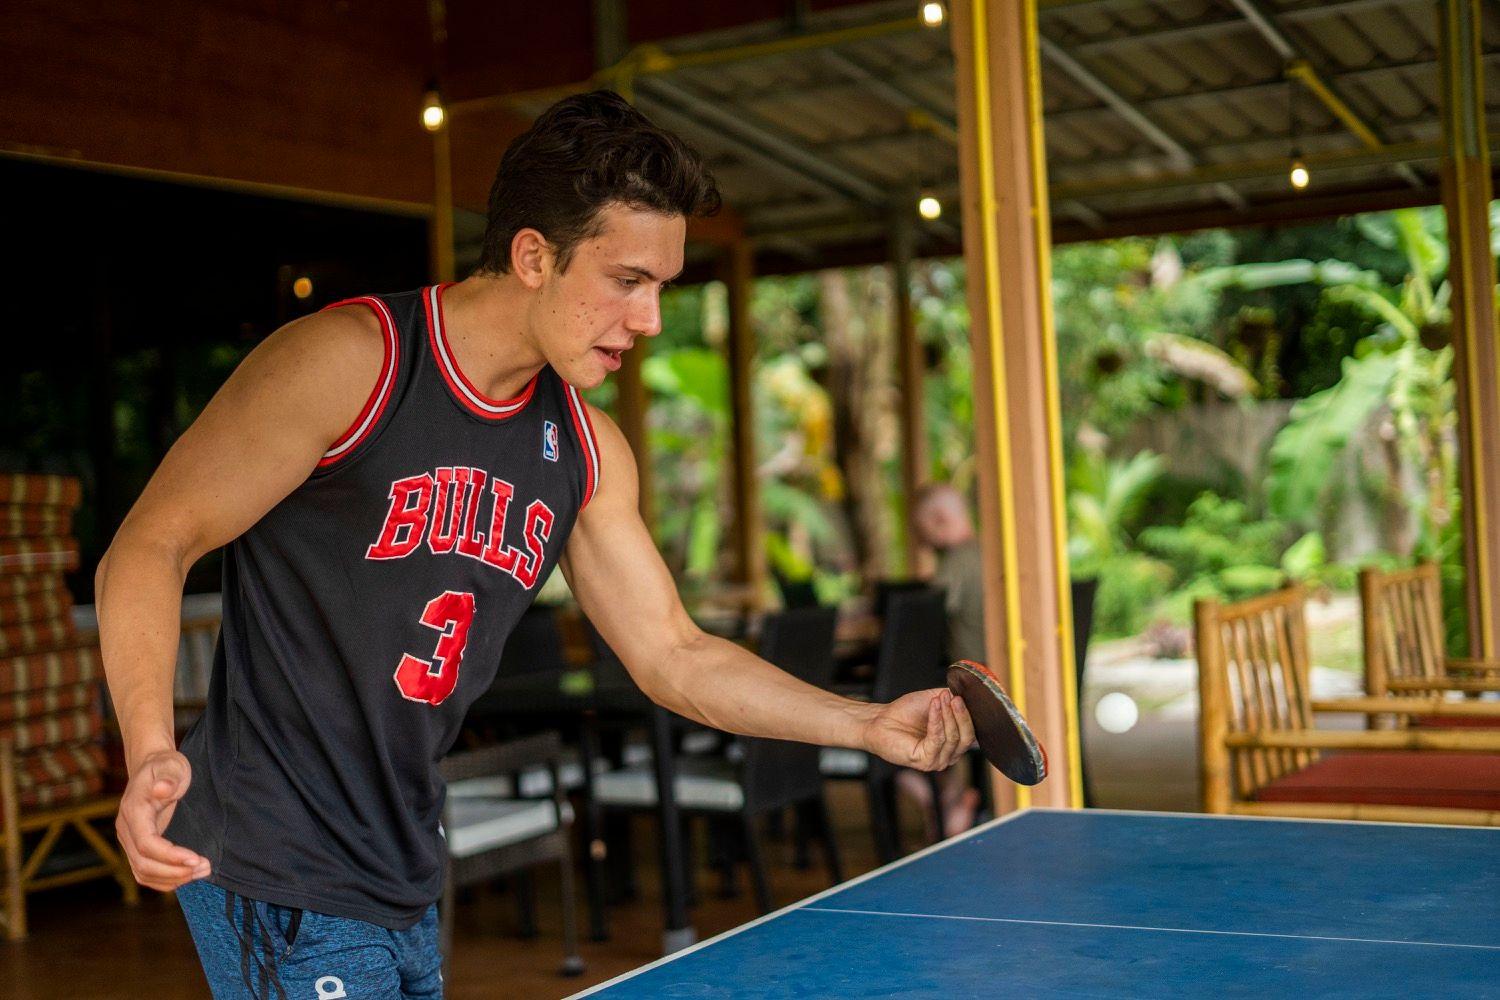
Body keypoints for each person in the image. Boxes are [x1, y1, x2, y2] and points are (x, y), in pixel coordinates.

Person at [96, 91, 974, 999]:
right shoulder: (352, 364)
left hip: (402, 867)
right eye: (627, 280)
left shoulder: (586, 449)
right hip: (273, 855)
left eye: (662, 287)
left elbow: (674, 654)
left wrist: (861, 723)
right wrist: (152, 746)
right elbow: (148, 546)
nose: (650, 320)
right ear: (531, 256)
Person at [900, 482, 987, 838]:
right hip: (992, 681)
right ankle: (956, 800)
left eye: (922, 531)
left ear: (938, 520)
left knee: (893, 713)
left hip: (979, 688)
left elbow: (923, 621)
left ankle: (943, 803)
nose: (922, 542)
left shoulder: (956, 561)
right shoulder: (986, 551)